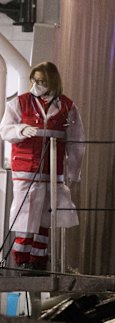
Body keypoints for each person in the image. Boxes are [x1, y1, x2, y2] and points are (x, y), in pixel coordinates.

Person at [0, 61, 85, 273]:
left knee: (46, 216)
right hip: (26, 168)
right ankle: (22, 260)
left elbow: (77, 142)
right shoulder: (20, 103)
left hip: (52, 170)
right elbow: (5, 130)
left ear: (53, 81)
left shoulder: (67, 106)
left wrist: (73, 172)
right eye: (35, 80)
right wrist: (21, 130)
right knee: (26, 214)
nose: (38, 85)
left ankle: (38, 260)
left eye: (43, 81)